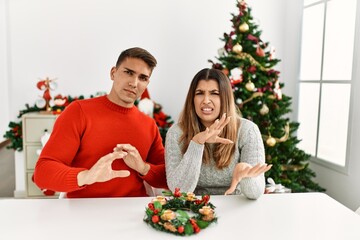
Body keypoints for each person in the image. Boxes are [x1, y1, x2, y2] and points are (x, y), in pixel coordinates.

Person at [34, 47, 167, 198]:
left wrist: (144, 168)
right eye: (128, 72)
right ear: (113, 73)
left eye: (142, 78)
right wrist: (87, 176)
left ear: (147, 83)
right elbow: (43, 172)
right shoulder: (78, 112)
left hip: (133, 212)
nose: (134, 83)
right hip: (83, 212)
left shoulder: (148, 125)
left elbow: (169, 177)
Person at [165, 68, 271, 199]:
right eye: (199, 93)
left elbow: (255, 194)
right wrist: (196, 144)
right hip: (194, 209)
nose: (206, 100)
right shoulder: (176, 133)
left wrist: (245, 175)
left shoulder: (248, 130)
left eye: (214, 93)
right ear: (192, 98)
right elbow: (179, 191)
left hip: (236, 207)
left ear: (225, 98)